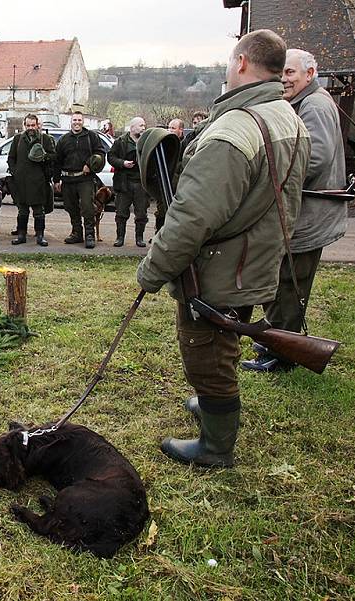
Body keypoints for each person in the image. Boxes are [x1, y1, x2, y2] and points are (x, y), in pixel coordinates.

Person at [135, 29, 310, 467]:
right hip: (253, 260)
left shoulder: (233, 131)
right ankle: (213, 407)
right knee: (225, 343)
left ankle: (215, 447)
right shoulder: (286, 116)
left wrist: (150, 271)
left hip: (220, 270)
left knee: (206, 354)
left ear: (242, 64)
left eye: (230, 63)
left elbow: (190, 219)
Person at [242, 48, 347, 373]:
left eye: (291, 73)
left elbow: (314, 159)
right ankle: (275, 347)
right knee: (283, 282)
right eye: (281, 73)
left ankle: (281, 357)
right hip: (301, 214)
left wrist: (268, 173)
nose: (284, 79)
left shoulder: (314, 105)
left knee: (289, 285)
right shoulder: (304, 103)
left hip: (307, 217)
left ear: (310, 74)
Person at [54, 111, 105, 249]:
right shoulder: (64, 139)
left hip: (85, 179)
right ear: (71, 122)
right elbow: (57, 160)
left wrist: (90, 164)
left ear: (83, 122)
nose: (77, 122)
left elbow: (100, 153)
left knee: (87, 207)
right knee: (71, 207)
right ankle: (77, 233)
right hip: (68, 179)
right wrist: (57, 180)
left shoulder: (91, 137)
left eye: (79, 120)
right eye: (74, 120)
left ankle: (89, 234)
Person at [8, 113, 57, 246]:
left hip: (38, 181)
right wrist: (14, 171)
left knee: (38, 211)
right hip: (21, 181)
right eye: (28, 125)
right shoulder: (17, 139)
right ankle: (21, 235)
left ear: (37, 125)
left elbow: (54, 157)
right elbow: (11, 158)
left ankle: (40, 236)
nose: (30, 128)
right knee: (22, 210)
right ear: (24, 125)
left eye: (33, 125)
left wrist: (44, 156)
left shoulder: (45, 139)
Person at [108, 117, 149, 247]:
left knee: (141, 213)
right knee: (121, 212)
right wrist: (123, 163)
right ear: (132, 127)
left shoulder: (147, 142)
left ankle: (139, 238)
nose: (143, 128)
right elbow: (111, 157)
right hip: (124, 182)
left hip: (141, 183)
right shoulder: (120, 142)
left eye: (144, 125)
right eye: (141, 125)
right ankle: (120, 238)